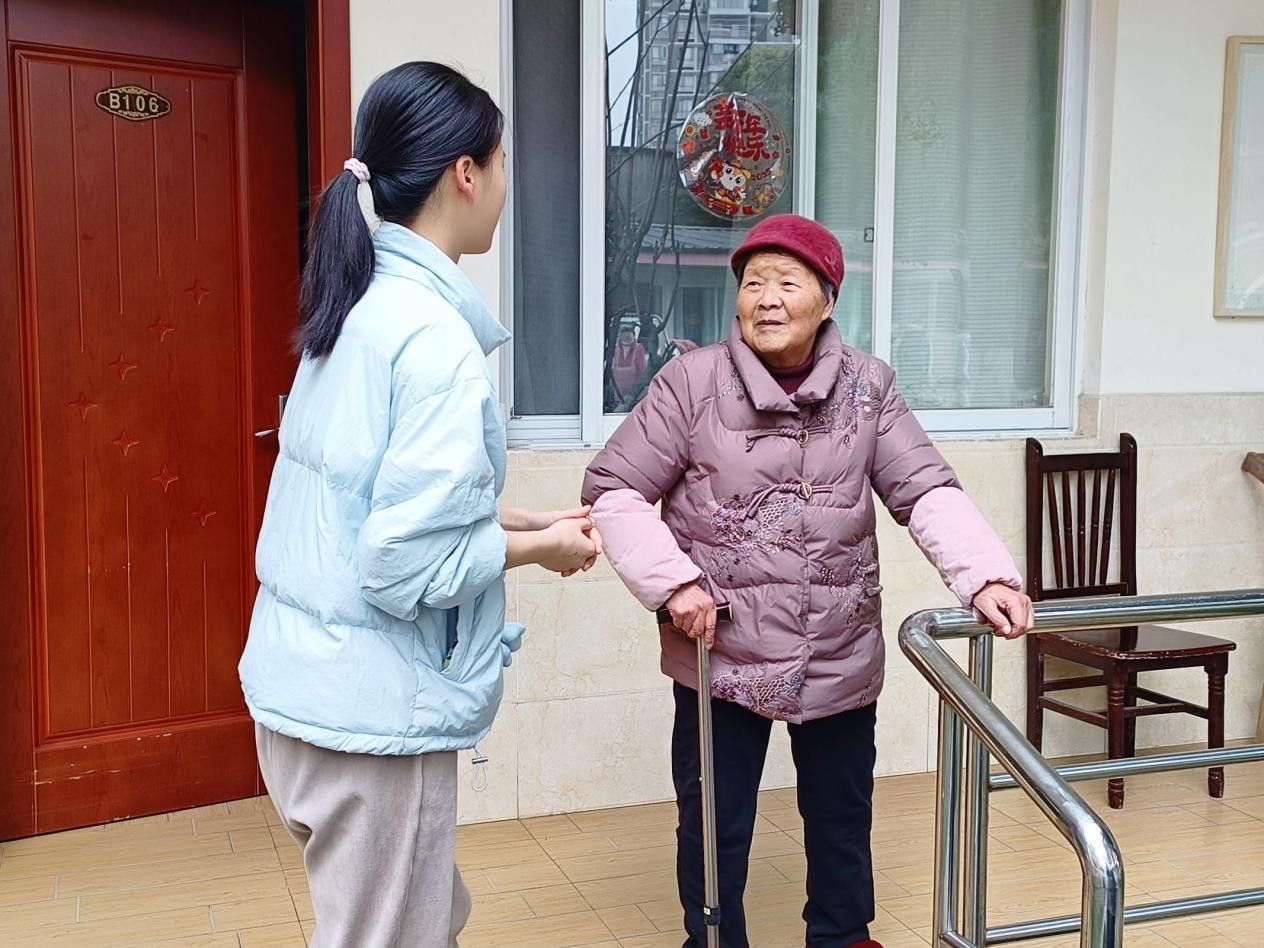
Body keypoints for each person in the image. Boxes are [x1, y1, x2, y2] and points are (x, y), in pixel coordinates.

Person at [582, 214, 1033, 948]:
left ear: (826, 300)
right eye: (753, 282)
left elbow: (923, 488)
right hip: (721, 650)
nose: (766, 298)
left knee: (841, 817)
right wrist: (674, 585)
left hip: (837, 647)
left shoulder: (868, 388)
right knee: (714, 822)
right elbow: (614, 490)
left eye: (787, 283)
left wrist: (984, 577)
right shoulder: (691, 383)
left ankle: (843, 938)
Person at [238, 62, 598, 948]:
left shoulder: (356, 306)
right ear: (464, 174)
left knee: (417, 923)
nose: (507, 182)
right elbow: (400, 564)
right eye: (503, 161)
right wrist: (541, 550)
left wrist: (515, 521)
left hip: (304, 692)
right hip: (372, 719)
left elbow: (364, 506)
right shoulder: (433, 340)